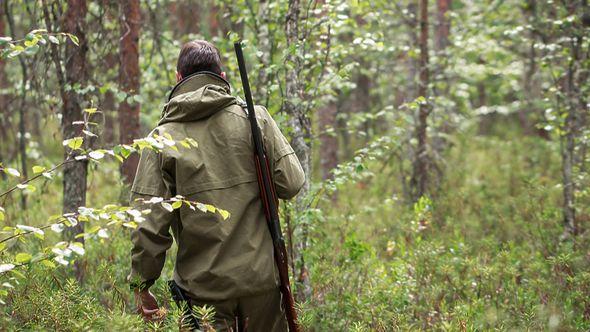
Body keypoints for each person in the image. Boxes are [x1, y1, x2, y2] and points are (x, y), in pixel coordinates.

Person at [128, 40, 305, 331]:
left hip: (202, 294)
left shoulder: (162, 139)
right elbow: (292, 183)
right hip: (262, 284)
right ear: (222, 77)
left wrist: (141, 284)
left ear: (177, 78)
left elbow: (149, 224)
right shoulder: (254, 119)